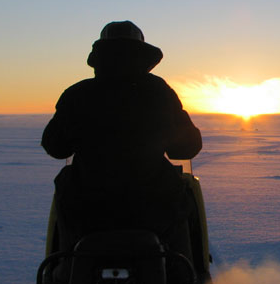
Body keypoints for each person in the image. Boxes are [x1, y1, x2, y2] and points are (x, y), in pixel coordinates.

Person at [41, 20, 202, 257]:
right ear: (143, 54)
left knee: (68, 196)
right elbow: (187, 147)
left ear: (99, 55)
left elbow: (55, 146)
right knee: (182, 203)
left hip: (88, 209)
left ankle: (63, 272)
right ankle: (185, 277)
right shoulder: (158, 93)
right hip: (152, 208)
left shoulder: (78, 94)